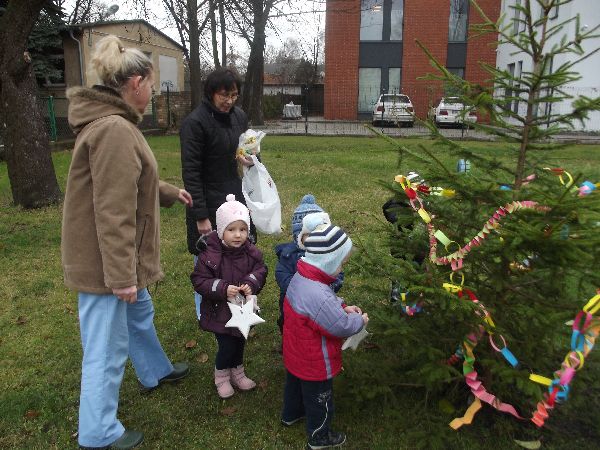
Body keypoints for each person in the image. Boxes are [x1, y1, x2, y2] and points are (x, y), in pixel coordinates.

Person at [62, 35, 193, 450]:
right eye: (151, 84)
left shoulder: (112, 126)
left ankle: (154, 369)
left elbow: (131, 179)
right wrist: (121, 278)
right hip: (106, 266)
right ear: (135, 82)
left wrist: (169, 192)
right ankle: (99, 432)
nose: (153, 92)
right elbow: (114, 212)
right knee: (106, 347)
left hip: (117, 261)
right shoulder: (115, 130)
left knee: (140, 316)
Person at [281, 213, 369, 450]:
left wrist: (342, 305)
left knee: (295, 386)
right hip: (315, 361)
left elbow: (324, 306)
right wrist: (359, 320)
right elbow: (339, 325)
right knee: (321, 399)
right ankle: (319, 436)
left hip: (295, 353)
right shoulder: (318, 295)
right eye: (340, 263)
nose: (341, 269)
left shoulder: (302, 278)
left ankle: (291, 414)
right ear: (328, 261)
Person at [180, 68, 256, 324]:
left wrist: (251, 158)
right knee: (209, 259)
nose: (230, 101)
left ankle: (241, 307)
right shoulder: (195, 123)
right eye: (224, 95)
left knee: (240, 252)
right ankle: (207, 310)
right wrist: (200, 215)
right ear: (211, 93)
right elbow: (191, 173)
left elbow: (245, 151)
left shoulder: (240, 117)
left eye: (234, 95)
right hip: (207, 200)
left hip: (235, 196)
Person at [190, 194, 268, 399]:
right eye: (231, 229)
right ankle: (222, 377)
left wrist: (251, 283)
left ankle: (238, 372)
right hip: (220, 312)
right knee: (226, 345)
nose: (238, 235)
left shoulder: (251, 253)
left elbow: (261, 270)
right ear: (221, 230)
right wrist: (223, 288)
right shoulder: (210, 255)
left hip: (243, 309)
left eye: (243, 229)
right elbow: (200, 280)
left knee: (239, 342)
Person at [275, 194, 344, 334]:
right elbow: (282, 275)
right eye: (309, 234)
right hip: (293, 302)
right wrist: (299, 289)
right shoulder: (288, 255)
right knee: (290, 324)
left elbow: (338, 273)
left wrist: (333, 285)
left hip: (322, 301)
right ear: (298, 236)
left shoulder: (328, 255)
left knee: (318, 324)